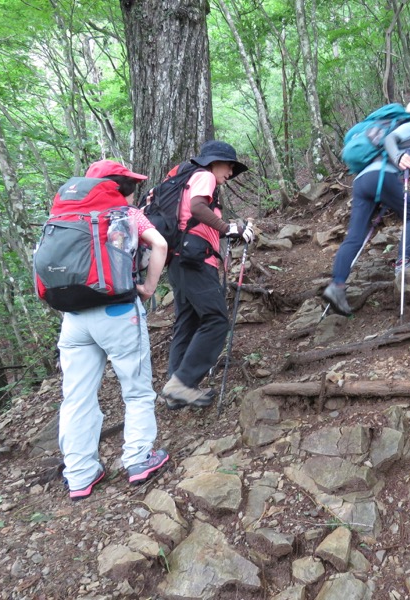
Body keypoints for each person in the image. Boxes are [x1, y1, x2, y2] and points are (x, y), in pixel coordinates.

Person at [59, 159, 170, 501]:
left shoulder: (65, 215)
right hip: (118, 309)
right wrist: (149, 287)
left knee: (76, 397)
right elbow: (160, 245)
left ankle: (79, 474)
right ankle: (137, 459)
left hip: (74, 315)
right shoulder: (128, 214)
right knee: (136, 390)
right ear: (121, 185)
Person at [322, 96, 410, 317]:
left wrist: (400, 163)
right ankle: (404, 264)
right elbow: (391, 141)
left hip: (361, 182)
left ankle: (336, 286)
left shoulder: (401, 128)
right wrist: (397, 158)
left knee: (354, 238)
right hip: (380, 178)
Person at [161, 140, 254, 409]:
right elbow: (198, 208)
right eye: (229, 166)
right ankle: (182, 384)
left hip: (180, 260)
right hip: (196, 260)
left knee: (187, 323)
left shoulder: (188, 179)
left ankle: (174, 389)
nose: (231, 172)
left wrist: (227, 229)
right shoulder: (203, 175)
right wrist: (229, 229)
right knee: (215, 321)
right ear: (213, 162)